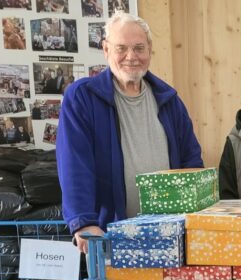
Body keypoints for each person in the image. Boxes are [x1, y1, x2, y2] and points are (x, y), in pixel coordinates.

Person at [56, 11, 203, 253]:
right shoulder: (83, 98)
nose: (131, 56)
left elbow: (191, 160)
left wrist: (195, 219)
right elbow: (74, 163)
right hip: (111, 236)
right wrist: (84, 222)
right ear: (106, 50)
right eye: (121, 48)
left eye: (139, 48)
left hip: (170, 236)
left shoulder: (169, 99)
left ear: (150, 50)